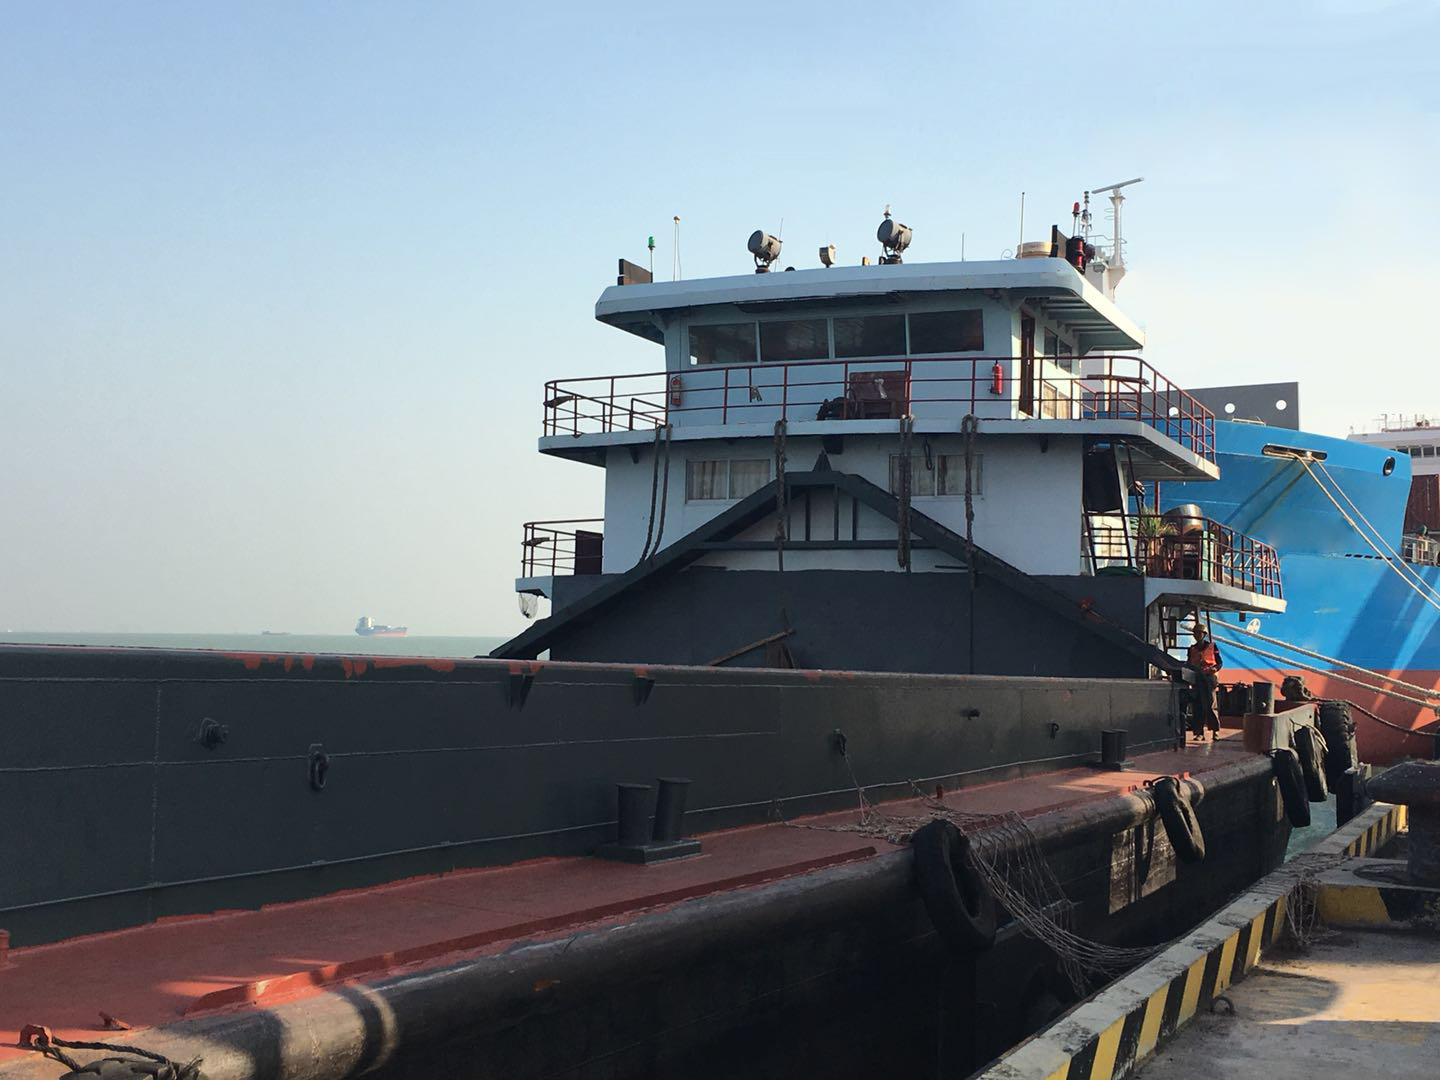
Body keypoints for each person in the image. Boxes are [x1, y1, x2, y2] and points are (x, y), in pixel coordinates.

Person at [1186, 625, 1223, 739]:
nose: (1197, 635)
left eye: (1199, 633)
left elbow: (1219, 662)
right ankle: (1199, 733)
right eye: (1195, 633)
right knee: (1198, 705)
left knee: (1211, 705)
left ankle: (1215, 731)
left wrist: (1215, 669)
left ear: (1204, 634)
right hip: (1197, 679)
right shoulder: (1192, 649)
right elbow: (1189, 664)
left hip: (1209, 678)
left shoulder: (1212, 647)